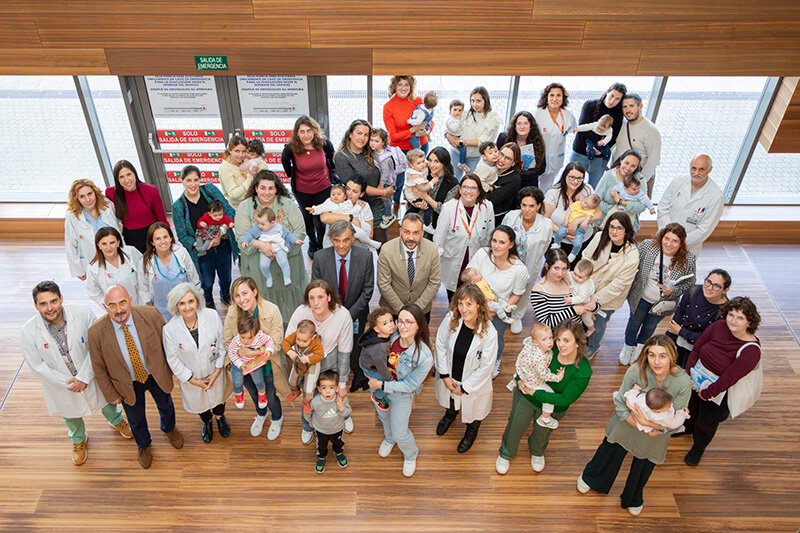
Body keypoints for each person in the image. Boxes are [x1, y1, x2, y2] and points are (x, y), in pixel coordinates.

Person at [578, 335, 691, 516]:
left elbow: (677, 419)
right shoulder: (635, 371)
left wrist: (650, 425)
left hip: (656, 434)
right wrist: (640, 424)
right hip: (627, 423)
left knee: (644, 466)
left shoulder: (683, 382)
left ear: (672, 356)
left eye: (662, 356)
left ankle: (633, 496)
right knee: (610, 450)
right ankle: (593, 478)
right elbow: (621, 404)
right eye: (651, 355)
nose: (656, 362)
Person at [22, 281, 132, 465]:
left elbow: (96, 347)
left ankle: (116, 420)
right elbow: (37, 366)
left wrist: (84, 377)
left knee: (105, 400)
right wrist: (69, 382)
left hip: (90, 374)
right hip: (62, 384)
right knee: (70, 413)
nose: (50, 308)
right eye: (43, 304)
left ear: (61, 298)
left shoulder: (82, 314)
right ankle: (78, 439)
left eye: (54, 301)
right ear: (36, 306)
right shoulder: (28, 331)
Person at [87, 285, 183, 469]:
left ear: (130, 300)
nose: (119, 310)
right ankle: (143, 445)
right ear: (104, 306)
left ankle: (170, 428)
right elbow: (98, 368)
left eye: (122, 302)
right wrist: (110, 394)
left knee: (166, 404)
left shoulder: (151, 314)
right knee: (135, 417)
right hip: (127, 383)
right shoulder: (95, 333)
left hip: (155, 374)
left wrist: (172, 370)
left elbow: (167, 344)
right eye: (112, 305)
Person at [496, 320, 592, 474]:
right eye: (558, 339)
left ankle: (537, 451)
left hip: (552, 404)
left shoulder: (583, 371)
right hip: (526, 396)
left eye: (566, 340)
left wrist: (536, 393)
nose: (560, 345)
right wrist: (519, 379)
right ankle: (506, 453)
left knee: (542, 431)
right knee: (515, 425)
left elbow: (565, 399)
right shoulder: (546, 346)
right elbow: (524, 363)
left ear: (577, 343)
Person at [683, 297, 762, 466]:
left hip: (718, 391)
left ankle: (698, 449)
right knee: (690, 407)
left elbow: (729, 378)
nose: (733, 320)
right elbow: (697, 348)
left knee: (706, 422)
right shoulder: (718, 326)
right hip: (696, 378)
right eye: (731, 314)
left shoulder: (751, 351)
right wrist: (688, 373)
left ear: (749, 322)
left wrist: (708, 392)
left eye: (740, 318)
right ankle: (686, 429)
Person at [366, 304, 433, 477]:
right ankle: (389, 439)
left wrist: (381, 386)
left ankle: (411, 454)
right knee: (384, 417)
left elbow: (410, 385)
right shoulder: (392, 334)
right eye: (400, 321)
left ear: (418, 325)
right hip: (380, 386)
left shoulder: (424, 356)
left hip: (400, 393)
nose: (402, 326)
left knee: (400, 432)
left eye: (409, 322)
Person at [285, 280, 354, 445]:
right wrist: (297, 357)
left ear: (329, 297)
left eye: (320, 297)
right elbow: (288, 337)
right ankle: (308, 427)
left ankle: (344, 416)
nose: (316, 303)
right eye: (312, 298)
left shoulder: (342, 315)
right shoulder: (301, 312)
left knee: (335, 391)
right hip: (307, 362)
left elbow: (345, 351)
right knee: (309, 395)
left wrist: (343, 382)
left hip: (331, 358)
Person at [619, 224, 697, 365]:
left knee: (649, 327)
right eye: (666, 238)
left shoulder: (688, 258)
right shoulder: (648, 247)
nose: (669, 243)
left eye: (675, 241)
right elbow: (632, 265)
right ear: (661, 236)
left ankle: (640, 349)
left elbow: (690, 282)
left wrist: (674, 291)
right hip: (641, 297)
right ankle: (628, 346)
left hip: (662, 304)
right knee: (634, 323)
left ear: (681, 243)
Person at [235, 170, 308, 320]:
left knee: (291, 313)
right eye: (262, 188)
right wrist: (259, 245)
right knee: (263, 315)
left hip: (288, 264)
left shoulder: (287, 204)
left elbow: (300, 232)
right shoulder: (245, 207)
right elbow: (241, 237)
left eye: (271, 188)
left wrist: (278, 248)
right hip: (258, 271)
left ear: (276, 189)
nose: (266, 192)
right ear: (255, 188)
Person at [311, 220, 375, 392]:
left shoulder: (365, 256)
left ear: (353, 238)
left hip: (357, 312)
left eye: (346, 240)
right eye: (337, 240)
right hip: (328, 314)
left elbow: (368, 290)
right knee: (331, 342)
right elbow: (316, 289)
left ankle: (356, 370)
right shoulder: (320, 258)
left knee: (355, 343)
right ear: (331, 239)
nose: (341, 245)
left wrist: (348, 315)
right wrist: (333, 314)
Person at [434, 284, 498, 453]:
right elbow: (440, 345)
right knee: (450, 401)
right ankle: (450, 415)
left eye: (469, 304)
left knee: (474, 411)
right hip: (450, 375)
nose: (463, 309)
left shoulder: (489, 333)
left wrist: (465, 388)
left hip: (473, 383)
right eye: (460, 303)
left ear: (479, 305)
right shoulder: (451, 318)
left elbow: (486, 367)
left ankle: (471, 432)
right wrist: (445, 375)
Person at [162, 283, 228, 444]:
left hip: (215, 371)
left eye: (190, 301)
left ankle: (220, 417)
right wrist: (192, 380)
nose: (187, 307)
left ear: (197, 301)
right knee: (201, 405)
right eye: (182, 303)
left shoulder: (211, 316)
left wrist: (217, 371)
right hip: (192, 378)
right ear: (176, 305)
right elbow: (172, 359)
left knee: (219, 399)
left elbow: (221, 345)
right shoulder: (169, 329)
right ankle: (206, 422)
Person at [223, 277, 288, 439]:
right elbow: (226, 340)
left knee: (270, 394)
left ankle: (277, 417)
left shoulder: (271, 310)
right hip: (242, 366)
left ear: (255, 291)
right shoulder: (232, 311)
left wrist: (253, 353)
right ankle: (261, 413)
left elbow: (276, 341)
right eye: (236, 295)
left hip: (267, 364)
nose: (241, 299)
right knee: (253, 392)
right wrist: (239, 354)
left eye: (245, 293)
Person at [467, 226, 530, 378]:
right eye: (494, 241)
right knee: (473, 335)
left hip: (501, 307)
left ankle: (495, 361)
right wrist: (479, 308)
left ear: (511, 245)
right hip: (476, 304)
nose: (496, 246)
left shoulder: (519, 270)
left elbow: (516, 295)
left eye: (502, 242)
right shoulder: (482, 254)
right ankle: (473, 360)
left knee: (495, 337)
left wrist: (499, 309)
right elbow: (468, 280)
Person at [172, 165, 237, 308]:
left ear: (200, 179)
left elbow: (229, 212)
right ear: (182, 181)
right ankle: (207, 301)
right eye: (189, 180)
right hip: (201, 249)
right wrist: (204, 244)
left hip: (222, 242)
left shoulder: (210, 190)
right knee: (206, 281)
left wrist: (220, 233)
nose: (193, 184)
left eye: (196, 180)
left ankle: (225, 295)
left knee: (226, 276)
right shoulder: (178, 206)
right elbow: (183, 236)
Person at [582, 212, 640, 359]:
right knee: (583, 318)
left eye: (619, 228)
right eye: (611, 227)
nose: (614, 231)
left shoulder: (632, 255)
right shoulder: (599, 237)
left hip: (608, 299)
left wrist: (594, 300)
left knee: (598, 324)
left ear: (626, 230)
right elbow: (586, 257)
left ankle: (594, 346)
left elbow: (619, 285)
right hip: (587, 288)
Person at [281, 115, 336, 258]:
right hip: (302, 190)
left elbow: (332, 159)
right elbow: (285, 163)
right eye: (302, 131)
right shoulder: (291, 148)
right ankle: (313, 241)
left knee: (320, 220)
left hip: (323, 188)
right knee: (308, 219)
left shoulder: (323, 143)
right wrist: (290, 174)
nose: (306, 135)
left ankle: (322, 243)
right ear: (297, 133)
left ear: (314, 131)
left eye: (309, 131)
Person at [433, 174, 495, 301]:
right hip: (453, 260)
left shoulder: (487, 207)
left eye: (473, 188)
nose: (469, 191)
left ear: (479, 192)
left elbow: (490, 236)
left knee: (473, 297)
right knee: (454, 297)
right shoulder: (448, 208)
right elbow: (438, 238)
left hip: (475, 261)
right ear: (460, 190)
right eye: (465, 187)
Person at [501, 187, 554, 333]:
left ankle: (517, 316)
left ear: (538, 206)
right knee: (505, 288)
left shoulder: (546, 224)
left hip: (530, 266)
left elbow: (544, 247)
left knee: (523, 292)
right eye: (524, 205)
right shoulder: (511, 217)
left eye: (531, 206)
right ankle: (503, 312)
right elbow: (501, 237)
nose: (527, 210)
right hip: (507, 264)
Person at [657, 154, 724, 258]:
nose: (696, 173)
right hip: (664, 239)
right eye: (694, 168)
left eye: (701, 169)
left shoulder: (716, 195)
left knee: (680, 272)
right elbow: (662, 208)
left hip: (689, 246)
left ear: (710, 169)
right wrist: (668, 236)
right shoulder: (678, 181)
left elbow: (705, 229)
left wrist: (680, 242)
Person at [377, 213, 442, 321]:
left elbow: (434, 283)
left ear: (422, 233)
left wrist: (415, 310)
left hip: (422, 310)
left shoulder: (432, 250)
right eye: (407, 232)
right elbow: (383, 284)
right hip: (391, 310)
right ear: (400, 231)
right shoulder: (386, 250)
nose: (411, 238)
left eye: (416, 233)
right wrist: (402, 311)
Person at [334, 119, 390, 242]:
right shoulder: (341, 157)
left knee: (381, 244)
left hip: (378, 206)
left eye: (366, 135)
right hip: (358, 210)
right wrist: (384, 192)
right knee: (361, 247)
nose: (362, 138)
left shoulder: (372, 151)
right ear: (350, 134)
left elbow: (389, 168)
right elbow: (357, 188)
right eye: (359, 133)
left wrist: (389, 188)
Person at [382, 76, 431, 216]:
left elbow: (430, 120)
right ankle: (396, 203)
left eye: (406, 85)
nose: (403, 88)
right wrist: (412, 130)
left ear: (411, 87)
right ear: (394, 87)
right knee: (399, 179)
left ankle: (414, 202)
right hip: (399, 149)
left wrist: (427, 130)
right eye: (400, 85)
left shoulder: (418, 101)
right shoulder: (388, 107)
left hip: (420, 146)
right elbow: (393, 136)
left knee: (418, 177)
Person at [667, 269, 731, 368]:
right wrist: (665, 347)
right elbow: (675, 323)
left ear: (725, 290)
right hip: (678, 345)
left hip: (699, 354)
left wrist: (681, 331)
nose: (709, 288)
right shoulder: (693, 291)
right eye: (708, 282)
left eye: (716, 286)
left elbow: (710, 340)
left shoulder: (725, 311)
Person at [137, 222, 201, 321]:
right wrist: (151, 313)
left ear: (171, 238)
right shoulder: (145, 262)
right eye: (157, 239)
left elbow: (194, 279)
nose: (163, 241)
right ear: (152, 242)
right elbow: (144, 289)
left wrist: (196, 305)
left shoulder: (182, 253)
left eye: (165, 237)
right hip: (161, 314)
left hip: (186, 310)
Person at [506, 322, 563, 430]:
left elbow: (526, 340)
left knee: (522, 371)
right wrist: (557, 377)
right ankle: (545, 418)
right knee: (550, 393)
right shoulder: (539, 357)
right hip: (533, 381)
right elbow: (544, 375)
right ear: (536, 342)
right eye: (545, 339)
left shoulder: (530, 343)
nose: (550, 342)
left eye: (551, 338)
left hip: (523, 370)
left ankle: (513, 381)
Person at [571, 83, 627, 187]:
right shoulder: (589, 105)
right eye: (612, 96)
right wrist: (594, 144)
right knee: (573, 183)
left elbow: (613, 137)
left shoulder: (618, 114)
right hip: (581, 151)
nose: (612, 101)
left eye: (617, 99)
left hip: (600, 156)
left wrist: (599, 149)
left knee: (595, 185)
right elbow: (583, 129)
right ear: (607, 92)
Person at [105, 160, 168, 253]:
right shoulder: (111, 193)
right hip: (129, 236)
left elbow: (162, 218)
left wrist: (167, 238)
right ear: (117, 179)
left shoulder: (151, 191)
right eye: (121, 177)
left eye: (129, 174)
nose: (126, 180)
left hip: (151, 233)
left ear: (134, 174)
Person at [65, 179, 120, 281]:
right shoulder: (72, 217)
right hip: (92, 261)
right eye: (82, 196)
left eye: (89, 194)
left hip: (115, 257)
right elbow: (70, 245)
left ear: (95, 193)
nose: (88, 199)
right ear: (77, 199)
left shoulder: (107, 206)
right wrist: (78, 270)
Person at [446, 86, 503, 181]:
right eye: (472, 101)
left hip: (475, 157)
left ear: (486, 100)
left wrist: (461, 141)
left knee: (472, 182)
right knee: (453, 180)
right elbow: (449, 124)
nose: (474, 104)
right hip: (456, 153)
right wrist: (447, 135)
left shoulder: (492, 118)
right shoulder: (464, 113)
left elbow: (482, 141)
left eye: (478, 101)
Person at [240, 206, 304, 288]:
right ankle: (268, 277)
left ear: (272, 223)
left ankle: (287, 277)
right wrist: (245, 241)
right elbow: (249, 234)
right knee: (263, 265)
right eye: (258, 223)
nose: (259, 226)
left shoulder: (279, 227)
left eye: (262, 224)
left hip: (279, 248)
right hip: (265, 249)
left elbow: (288, 234)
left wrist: (295, 240)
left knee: (283, 261)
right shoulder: (258, 228)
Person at [544, 163, 598, 258]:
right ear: (565, 175)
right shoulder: (554, 192)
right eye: (572, 177)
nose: (575, 181)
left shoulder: (587, 190)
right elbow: (545, 217)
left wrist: (577, 221)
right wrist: (564, 233)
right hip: (557, 239)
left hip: (582, 240)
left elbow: (598, 214)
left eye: (579, 178)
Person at [613, 93, 662, 197]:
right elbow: (615, 146)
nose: (628, 110)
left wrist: (639, 182)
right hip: (617, 177)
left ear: (640, 106)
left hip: (635, 181)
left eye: (631, 106)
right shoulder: (622, 124)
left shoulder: (650, 130)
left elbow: (654, 160)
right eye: (624, 107)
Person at [310, 182, 381, 251]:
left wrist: (359, 207)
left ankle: (366, 243)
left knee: (366, 227)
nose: (349, 193)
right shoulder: (331, 202)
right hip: (336, 241)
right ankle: (369, 242)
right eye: (348, 189)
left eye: (354, 191)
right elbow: (324, 217)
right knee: (358, 232)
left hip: (358, 247)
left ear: (361, 194)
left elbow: (353, 211)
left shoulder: (354, 204)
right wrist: (350, 218)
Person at [529, 248, 589, 329]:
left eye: (564, 269)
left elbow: (589, 296)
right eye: (556, 268)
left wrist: (594, 305)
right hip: (558, 337)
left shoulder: (571, 279)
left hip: (578, 333)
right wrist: (573, 310)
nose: (560, 273)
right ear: (547, 266)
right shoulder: (538, 291)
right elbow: (546, 322)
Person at [535, 83, 577, 192]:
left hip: (557, 157)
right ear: (546, 98)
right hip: (539, 157)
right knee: (533, 184)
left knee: (547, 186)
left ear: (563, 98)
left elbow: (575, 131)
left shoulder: (568, 116)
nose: (555, 99)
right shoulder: (538, 114)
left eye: (559, 95)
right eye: (551, 95)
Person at [86, 227, 143, 308]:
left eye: (112, 243)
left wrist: (145, 300)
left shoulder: (131, 253)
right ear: (98, 245)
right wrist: (110, 307)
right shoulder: (93, 268)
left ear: (118, 242)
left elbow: (145, 272)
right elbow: (94, 293)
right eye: (104, 244)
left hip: (138, 304)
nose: (108, 247)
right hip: (116, 311)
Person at [227, 314, 275, 410]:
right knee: (237, 382)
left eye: (250, 338)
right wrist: (240, 365)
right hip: (239, 364)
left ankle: (262, 395)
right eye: (243, 337)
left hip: (254, 363)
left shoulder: (260, 337)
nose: (246, 341)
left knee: (259, 380)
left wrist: (269, 350)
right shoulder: (236, 341)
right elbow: (232, 354)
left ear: (256, 334)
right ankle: (239, 395)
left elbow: (269, 340)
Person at [309, 370, 352, 473]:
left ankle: (339, 452)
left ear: (337, 388)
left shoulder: (342, 399)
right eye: (324, 388)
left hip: (337, 428)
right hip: (321, 430)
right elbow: (308, 411)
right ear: (319, 389)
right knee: (322, 446)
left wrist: (341, 408)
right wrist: (309, 421)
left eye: (331, 388)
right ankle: (321, 457)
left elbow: (347, 412)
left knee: (338, 443)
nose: (328, 391)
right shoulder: (315, 401)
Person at [595, 150, 647, 233]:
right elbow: (596, 200)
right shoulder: (609, 175)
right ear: (621, 160)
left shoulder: (640, 180)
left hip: (628, 226)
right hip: (605, 224)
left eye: (633, 166)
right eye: (626, 163)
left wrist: (620, 203)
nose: (628, 168)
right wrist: (615, 211)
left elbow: (642, 206)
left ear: (637, 167)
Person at [411, 146, 459, 235]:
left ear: (444, 162)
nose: (431, 165)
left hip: (438, 229)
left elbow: (446, 211)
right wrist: (415, 203)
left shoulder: (453, 183)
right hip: (417, 224)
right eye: (429, 160)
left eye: (436, 161)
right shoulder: (424, 174)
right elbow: (407, 193)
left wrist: (426, 197)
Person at [496, 110, 547, 190]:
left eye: (525, 123)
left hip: (527, 181)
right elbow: (496, 159)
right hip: (506, 179)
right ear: (515, 126)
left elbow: (541, 168)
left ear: (531, 126)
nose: (522, 126)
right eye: (519, 123)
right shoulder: (503, 138)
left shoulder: (538, 143)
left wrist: (519, 174)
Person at [358, 307, 395, 410]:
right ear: (377, 329)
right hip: (371, 368)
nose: (391, 325)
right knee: (384, 383)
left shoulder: (380, 334)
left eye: (391, 321)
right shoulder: (379, 348)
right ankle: (378, 397)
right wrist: (389, 379)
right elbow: (381, 367)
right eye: (385, 324)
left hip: (366, 360)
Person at [283, 320, 325, 412]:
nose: (300, 343)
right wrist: (289, 352)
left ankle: (306, 402)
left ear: (313, 337)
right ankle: (296, 391)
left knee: (309, 387)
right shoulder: (296, 335)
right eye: (298, 340)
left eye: (304, 341)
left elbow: (320, 355)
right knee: (292, 381)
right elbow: (285, 342)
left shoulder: (316, 342)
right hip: (298, 363)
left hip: (311, 365)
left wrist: (308, 359)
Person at [369, 127, 405, 229]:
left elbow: (385, 172)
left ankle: (389, 215)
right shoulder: (376, 151)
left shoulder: (385, 157)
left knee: (386, 198)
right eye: (371, 140)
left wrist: (381, 185)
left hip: (387, 180)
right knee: (386, 197)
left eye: (376, 141)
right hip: (387, 178)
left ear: (383, 142)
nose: (372, 143)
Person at [551, 193, 601, 263]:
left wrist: (584, 221)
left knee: (578, 244)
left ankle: (573, 254)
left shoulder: (591, 210)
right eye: (585, 203)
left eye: (588, 207)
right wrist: (565, 221)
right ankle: (557, 243)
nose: (584, 206)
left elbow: (588, 217)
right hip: (568, 224)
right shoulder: (577, 204)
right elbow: (569, 212)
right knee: (560, 232)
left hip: (579, 230)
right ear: (584, 198)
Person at [623, 385, 690, 434]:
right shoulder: (663, 417)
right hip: (648, 424)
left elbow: (630, 400)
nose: (671, 405)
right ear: (658, 411)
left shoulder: (641, 401)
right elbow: (674, 423)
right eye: (669, 406)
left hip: (641, 418)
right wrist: (683, 414)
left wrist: (635, 390)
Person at [486, 143, 523, 227]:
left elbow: (492, 199)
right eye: (501, 154)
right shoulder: (489, 165)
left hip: (494, 218)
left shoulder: (514, 180)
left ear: (514, 162)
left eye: (508, 158)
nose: (502, 160)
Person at [219, 135, 256, 209]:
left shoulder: (246, 160)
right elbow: (233, 195)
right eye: (237, 151)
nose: (241, 155)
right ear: (230, 150)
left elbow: (264, 167)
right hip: (238, 209)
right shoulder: (225, 168)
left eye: (244, 151)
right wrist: (250, 177)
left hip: (253, 205)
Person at [567, 259, 597, 335]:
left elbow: (581, 298)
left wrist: (572, 300)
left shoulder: (585, 287)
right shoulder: (574, 276)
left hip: (586, 302)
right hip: (584, 298)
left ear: (588, 277)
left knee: (586, 318)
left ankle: (591, 328)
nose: (576, 278)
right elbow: (569, 275)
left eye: (580, 277)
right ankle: (592, 314)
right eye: (575, 273)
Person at [445, 99, 466, 167]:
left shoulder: (457, 117)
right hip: (455, 138)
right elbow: (454, 129)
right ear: (450, 109)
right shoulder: (450, 119)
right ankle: (462, 163)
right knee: (462, 150)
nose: (457, 112)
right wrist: (457, 120)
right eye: (455, 110)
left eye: (460, 110)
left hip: (459, 136)